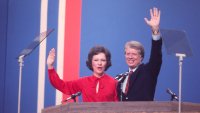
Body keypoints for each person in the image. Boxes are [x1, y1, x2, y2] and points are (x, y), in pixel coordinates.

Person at [116, 7, 162, 101]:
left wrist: (155, 30)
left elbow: (156, 56)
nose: (130, 57)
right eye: (128, 54)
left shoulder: (148, 71)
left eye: (134, 54)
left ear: (141, 57)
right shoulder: (120, 78)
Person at [47, 46, 118, 102]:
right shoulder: (83, 82)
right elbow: (62, 86)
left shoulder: (113, 82)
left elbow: (118, 107)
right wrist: (50, 66)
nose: (99, 63)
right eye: (96, 60)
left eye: (103, 60)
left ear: (107, 62)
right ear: (91, 62)